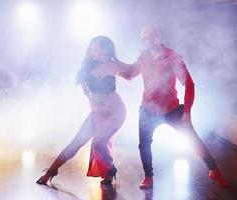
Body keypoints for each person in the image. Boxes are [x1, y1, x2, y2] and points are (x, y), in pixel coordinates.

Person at [118, 25, 230, 189]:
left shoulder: (172, 57)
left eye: (151, 36)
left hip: (171, 109)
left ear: (159, 37)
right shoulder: (143, 57)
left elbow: (189, 84)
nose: (148, 41)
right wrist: (114, 65)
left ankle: (214, 171)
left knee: (192, 139)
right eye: (144, 38)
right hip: (148, 109)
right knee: (144, 144)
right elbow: (129, 75)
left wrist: (187, 111)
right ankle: (148, 177)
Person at [36, 36, 128, 185]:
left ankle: (110, 170)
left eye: (96, 48)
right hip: (98, 111)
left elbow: (132, 73)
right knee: (75, 143)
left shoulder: (114, 65)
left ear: (106, 49)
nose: (93, 51)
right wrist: (91, 101)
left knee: (99, 141)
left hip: (116, 111)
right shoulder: (87, 67)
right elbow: (85, 88)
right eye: (91, 48)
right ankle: (50, 172)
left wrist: (147, 59)